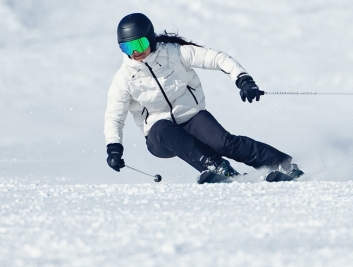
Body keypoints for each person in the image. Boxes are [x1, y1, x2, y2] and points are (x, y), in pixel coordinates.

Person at [103, 13, 302, 183]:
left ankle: (283, 166)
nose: (136, 52)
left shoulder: (175, 53)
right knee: (164, 128)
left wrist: (243, 79)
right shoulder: (124, 79)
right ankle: (217, 167)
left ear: (150, 39)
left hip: (191, 117)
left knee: (224, 143)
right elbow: (114, 117)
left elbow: (216, 58)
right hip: (160, 136)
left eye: (139, 43)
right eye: (128, 48)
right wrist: (114, 148)